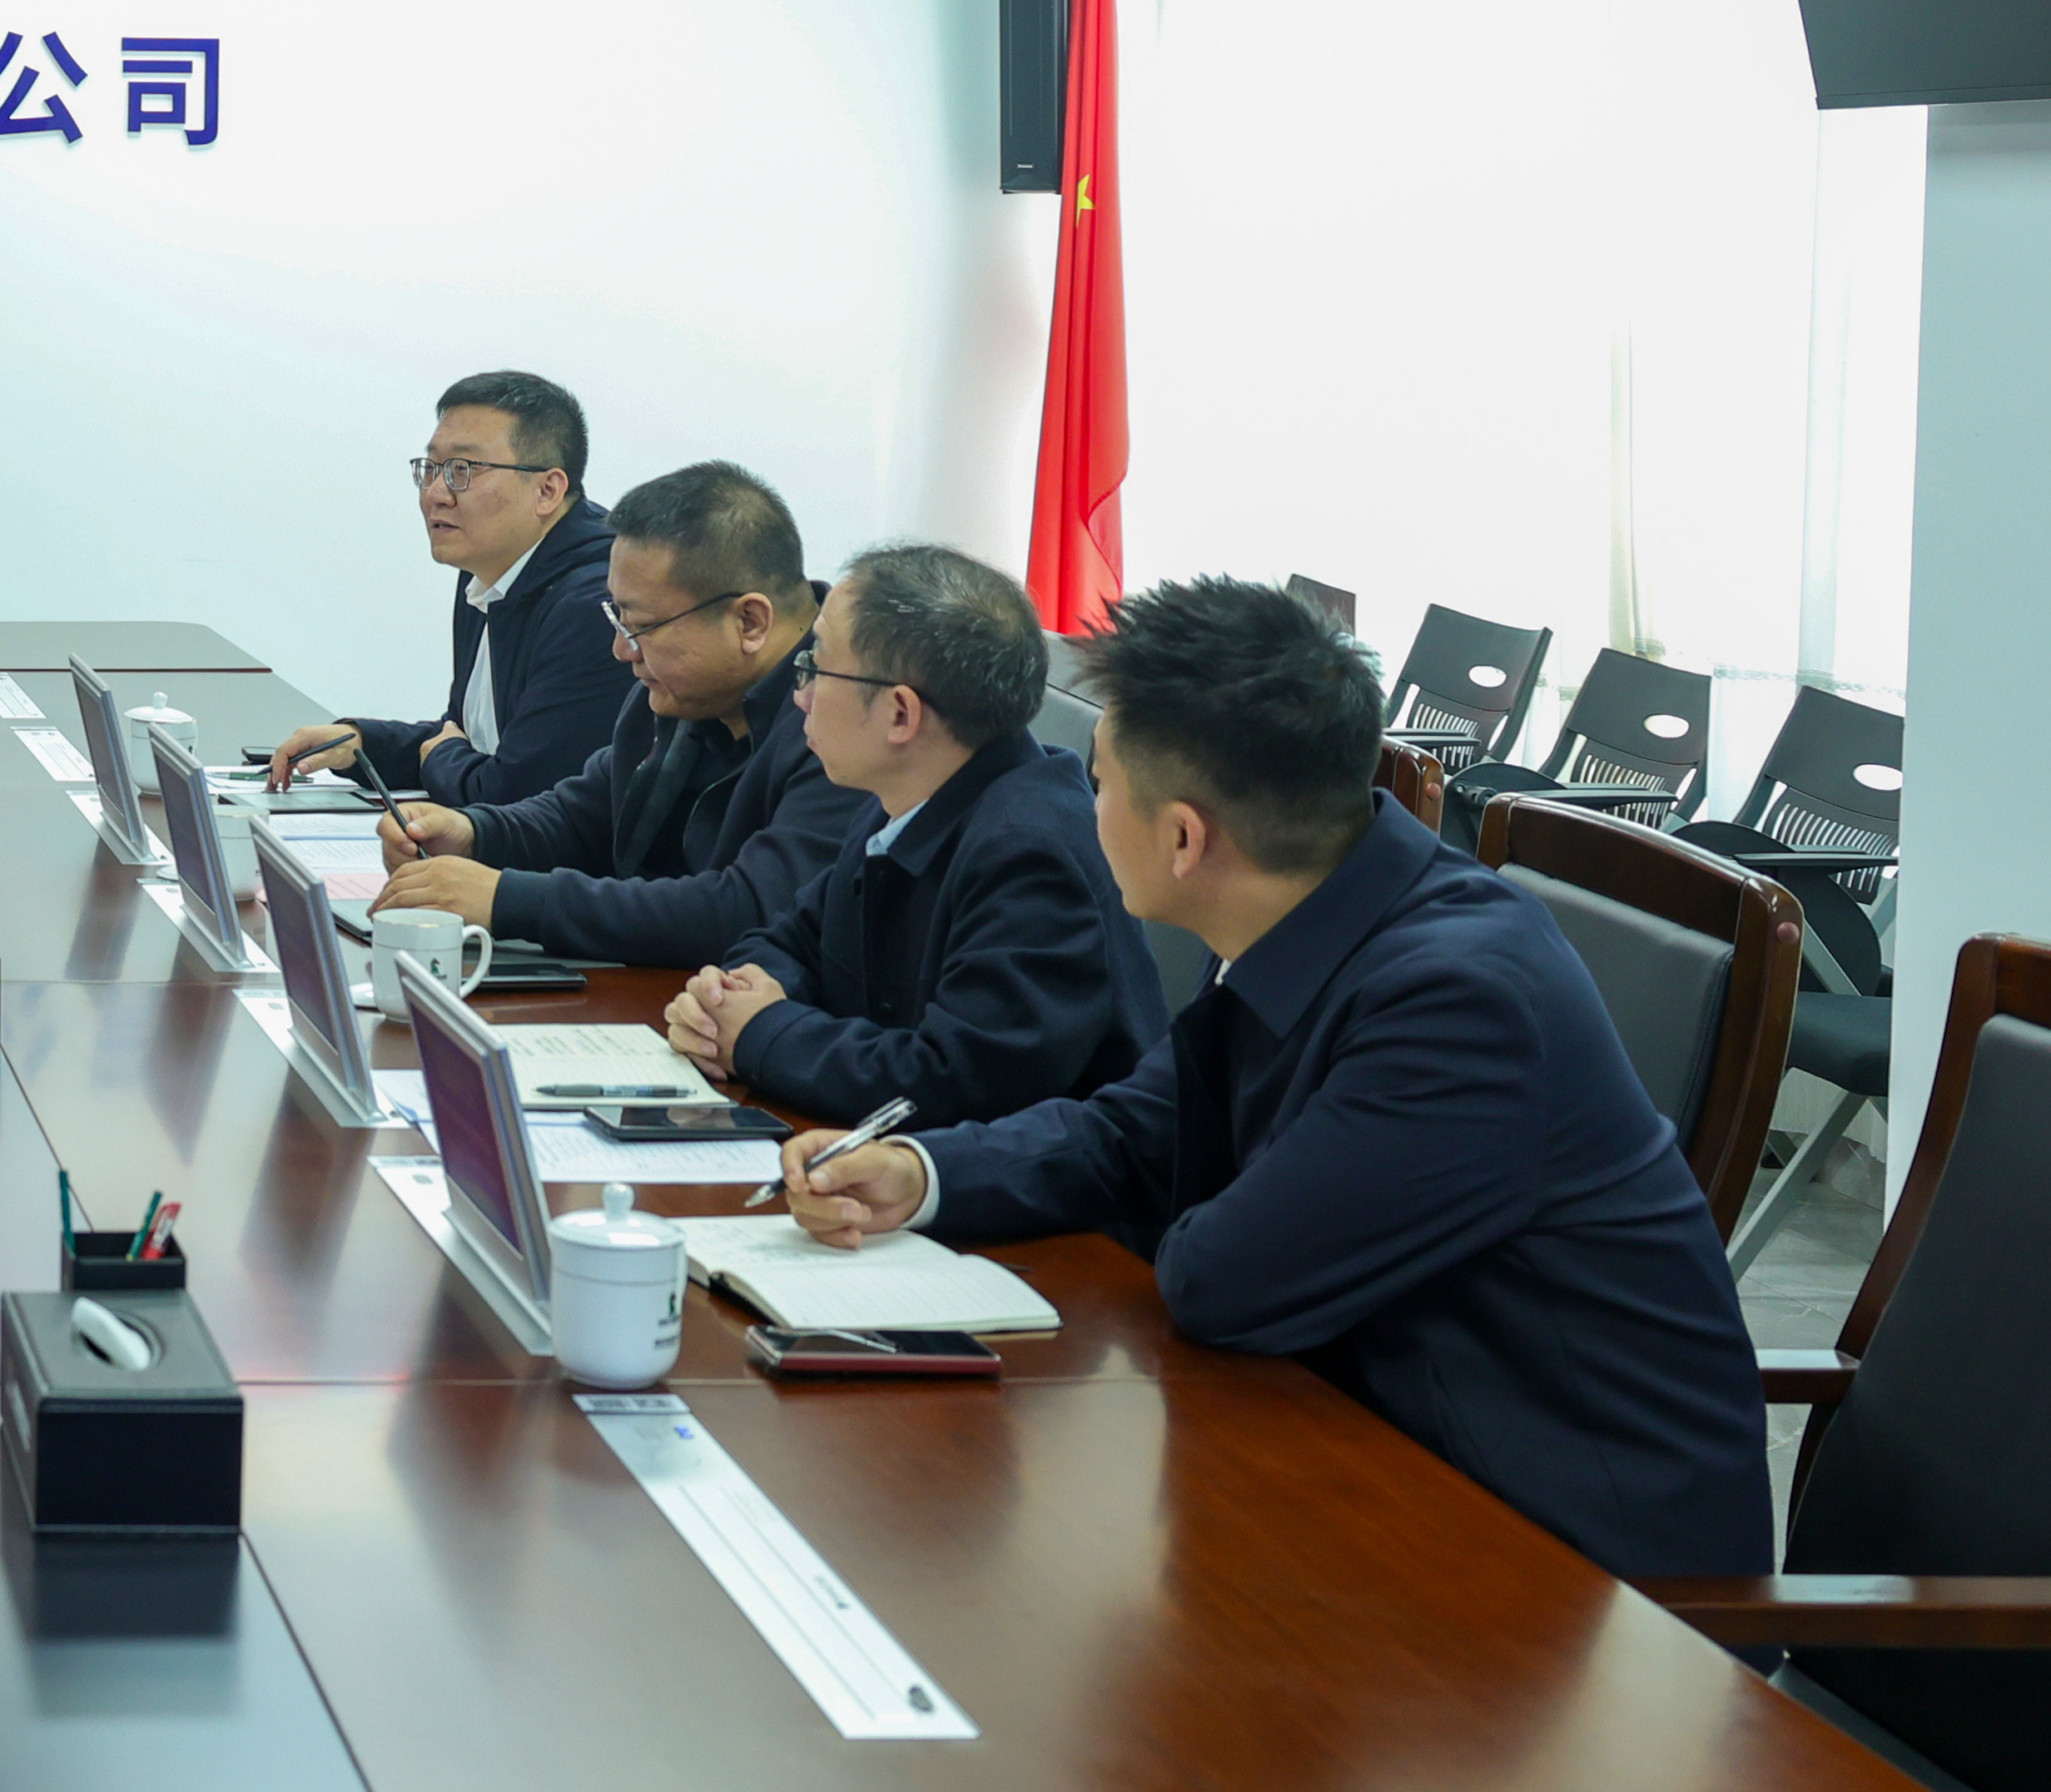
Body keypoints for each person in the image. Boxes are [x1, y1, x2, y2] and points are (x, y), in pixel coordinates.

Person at [777, 578, 1772, 1585]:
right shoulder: (1325, 905)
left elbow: (1220, 1279)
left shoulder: (1460, 1005)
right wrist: (921, 1172)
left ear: (1183, 839)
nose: (1084, 807)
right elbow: (1133, 1130)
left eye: (1099, 785)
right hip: (1374, 1460)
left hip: (1576, 1575)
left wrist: (1170, 1201)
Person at [664, 543, 1165, 1128]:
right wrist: (727, 999)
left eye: (816, 666)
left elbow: (954, 1082)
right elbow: (794, 938)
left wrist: (759, 1033)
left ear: (900, 714)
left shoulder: (1031, 854)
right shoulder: (907, 798)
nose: (799, 695)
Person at [368, 459, 864, 966]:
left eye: (640, 627)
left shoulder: (842, 720)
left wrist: (507, 899)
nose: (622, 651)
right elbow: (585, 817)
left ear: (750, 622)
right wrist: (474, 834)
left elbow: (751, 909)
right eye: (618, 618)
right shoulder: (684, 695)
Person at [267, 369, 626, 809]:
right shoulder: (488, 572)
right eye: (432, 468)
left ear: (547, 490)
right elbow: (467, 738)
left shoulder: (595, 605)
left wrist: (443, 754)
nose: (436, 493)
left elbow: (516, 793)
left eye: (463, 470)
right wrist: (363, 743)